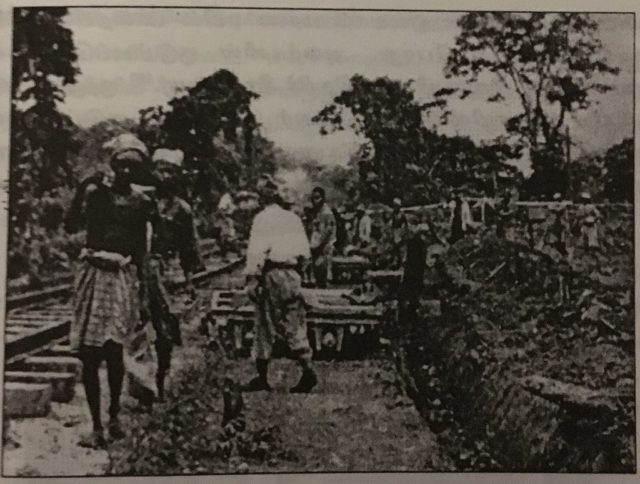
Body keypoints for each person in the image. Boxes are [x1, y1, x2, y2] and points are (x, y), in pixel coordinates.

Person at [64, 133, 156, 448]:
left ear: (140, 171)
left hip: (120, 278)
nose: (127, 171)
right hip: (92, 275)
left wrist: (143, 293)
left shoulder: (142, 202)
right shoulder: (94, 194)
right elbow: (70, 224)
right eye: (122, 164)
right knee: (89, 355)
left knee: (115, 351)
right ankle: (96, 426)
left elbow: (142, 251)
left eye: (134, 166)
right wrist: (82, 187)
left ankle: (114, 417)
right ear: (113, 164)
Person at [243, 176, 317, 393]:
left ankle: (261, 376)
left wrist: (252, 278)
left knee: (264, 325)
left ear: (264, 197)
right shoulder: (293, 219)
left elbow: (257, 252)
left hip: (272, 274)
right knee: (294, 323)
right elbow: (305, 254)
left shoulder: (262, 219)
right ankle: (308, 369)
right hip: (292, 274)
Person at [147, 148, 205, 400]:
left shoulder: (182, 209)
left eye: (170, 171)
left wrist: (190, 281)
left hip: (167, 271)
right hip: (138, 268)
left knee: (165, 328)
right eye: (160, 170)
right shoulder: (141, 200)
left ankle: (161, 378)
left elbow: (189, 247)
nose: (165, 176)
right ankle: (140, 382)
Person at [309, 187, 336, 288]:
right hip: (318, 244)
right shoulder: (318, 211)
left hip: (325, 244)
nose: (315, 201)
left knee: (325, 266)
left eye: (317, 197)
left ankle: (326, 284)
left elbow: (328, 230)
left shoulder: (326, 212)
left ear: (323, 198)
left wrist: (320, 244)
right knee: (318, 266)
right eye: (313, 198)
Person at [390, 198, 408, 268]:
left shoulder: (402, 214)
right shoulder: (393, 214)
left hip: (400, 231)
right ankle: (396, 262)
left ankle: (402, 263)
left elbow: (405, 224)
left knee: (401, 247)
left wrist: (403, 232)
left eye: (396, 205)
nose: (394, 207)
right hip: (395, 231)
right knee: (395, 248)